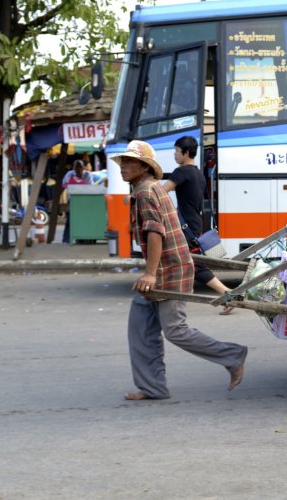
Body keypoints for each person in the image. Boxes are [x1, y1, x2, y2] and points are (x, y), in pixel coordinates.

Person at [111, 140, 247, 400]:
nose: (123, 167)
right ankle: (153, 387)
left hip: (170, 270)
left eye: (129, 162)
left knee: (175, 329)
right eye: (123, 162)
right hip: (165, 267)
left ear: (144, 167)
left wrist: (150, 274)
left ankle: (232, 355)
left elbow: (154, 232)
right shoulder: (146, 188)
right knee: (140, 324)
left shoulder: (146, 192)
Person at [162, 135, 232, 313]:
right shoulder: (199, 174)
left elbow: (161, 192)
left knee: (196, 264)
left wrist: (134, 195)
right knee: (184, 260)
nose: (174, 155)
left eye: (177, 151)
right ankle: (179, 291)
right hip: (195, 224)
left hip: (185, 228)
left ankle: (228, 295)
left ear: (185, 152)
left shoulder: (181, 172)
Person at [61, 160, 92, 243]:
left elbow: (90, 187)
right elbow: (64, 185)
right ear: (73, 168)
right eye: (76, 167)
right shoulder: (69, 174)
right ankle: (66, 240)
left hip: (84, 201)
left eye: (80, 167)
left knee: (82, 220)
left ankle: (81, 239)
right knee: (70, 221)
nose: (78, 169)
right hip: (72, 200)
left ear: (83, 168)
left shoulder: (87, 174)